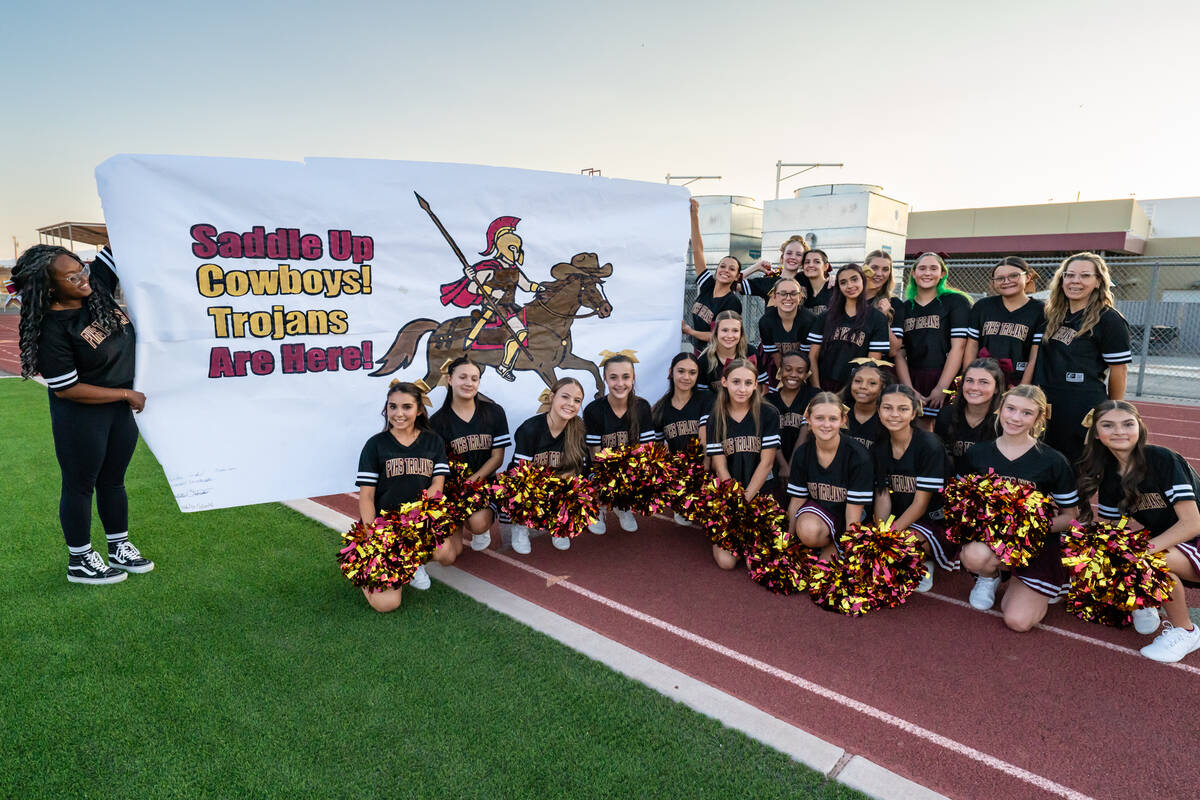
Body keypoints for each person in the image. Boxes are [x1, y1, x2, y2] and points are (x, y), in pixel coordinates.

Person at [12, 244, 152, 585]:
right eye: (71, 277)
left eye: (82, 270)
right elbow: (66, 388)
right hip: (82, 416)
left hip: (120, 411)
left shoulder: (96, 289)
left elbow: (118, 240)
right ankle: (80, 560)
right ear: (50, 287)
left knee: (114, 480)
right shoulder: (52, 329)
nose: (82, 279)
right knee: (80, 485)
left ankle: (118, 545)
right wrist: (125, 393)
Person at [1076, 400, 1200, 662]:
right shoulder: (1110, 477)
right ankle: (1145, 599)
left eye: (1127, 424)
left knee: (1149, 559)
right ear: (1097, 434)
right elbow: (1111, 531)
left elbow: (1192, 524)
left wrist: (1140, 552)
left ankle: (1186, 631)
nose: (1119, 431)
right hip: (1175, 542)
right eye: (1108, 425)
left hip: (1194, 537)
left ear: (1140, 428)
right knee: (1109, 549)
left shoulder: (1163, 459)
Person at [959, 385, 1081, 631]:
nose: (1015, 418)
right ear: (1000, 409)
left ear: (1038, 418)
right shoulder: (977, 453)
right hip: (993, 541)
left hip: (1035, 544)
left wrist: (1027, 527)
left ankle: (1047, 582)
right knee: (973, 555)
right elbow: (963, 504)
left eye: (1026, 413)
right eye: (1011, 409)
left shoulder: (1053, 460)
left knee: (1018, 622)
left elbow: (1071, 518)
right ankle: (989, 576)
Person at [355, 380, 451, 611]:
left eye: (406, 407)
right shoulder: (375, 445)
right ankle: (364, 569)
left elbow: (438, 483)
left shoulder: (433, 441)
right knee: (387, 604)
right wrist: (373, 535)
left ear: (419, 410)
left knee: (445, 552)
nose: (399, 413)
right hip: (383, 526)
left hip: (416, 522)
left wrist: (418, 522)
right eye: (393, 407)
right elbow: (366, 497)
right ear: (386, 409)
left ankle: (412, 561)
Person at [1036, 252, 1131, 465]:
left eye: (1085, 276)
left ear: (1098, 282)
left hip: (1081, 405)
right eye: (1069, 275)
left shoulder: (1109, 319)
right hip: (1047, 401)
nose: (1075, 281)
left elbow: (1119, 370)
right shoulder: (1052, 315)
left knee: (1075, 472)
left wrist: (1113, 410)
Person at [873, 384, 956, 592]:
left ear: (913, 413)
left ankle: (925, 558)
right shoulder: (879, 447)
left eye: (902, 409)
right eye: (887, 408)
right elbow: (882, 495)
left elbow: (921, 504)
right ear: (878, 410)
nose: (894, 414)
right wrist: (881, 533)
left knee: (899, 546)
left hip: (933, 519)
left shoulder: (929, 445)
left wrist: (889, 538)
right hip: (901, 518)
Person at [429, 357, 511, 552]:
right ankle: (457, 519)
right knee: (450, 556)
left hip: (483, 484)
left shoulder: (494, 412)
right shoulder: (437, 422)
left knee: (477, 523)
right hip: (452, 489)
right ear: (450, 380)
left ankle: (481, 527)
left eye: (474, 379)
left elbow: (497, 458)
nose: (469, 383)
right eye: (462, 377)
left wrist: (472, 482)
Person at [705, 359, 781, 569]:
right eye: (736, 382)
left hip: (761, 492)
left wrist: (747, 500)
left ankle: (751, 538)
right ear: (724, 382)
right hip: (732, 494)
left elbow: (767, 463)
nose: (742, 388)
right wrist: (735, 501)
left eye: (748, 383)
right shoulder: (715, 417)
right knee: (726, 562)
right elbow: (720, 466)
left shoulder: (768, 413)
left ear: (756, 385)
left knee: (754, 563)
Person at [787, 392, 874, 558]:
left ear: (843, 420)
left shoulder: (858, 456)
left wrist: (848, 549)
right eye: (819, 418)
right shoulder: (803, 453)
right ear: (808, 419)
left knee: (828, 572)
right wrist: (787, 543)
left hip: (853, 516)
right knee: (807, 530)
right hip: (822, 513)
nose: (826, 424)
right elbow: (796, 501)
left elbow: (853, 514)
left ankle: (833, 547)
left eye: (833, 419)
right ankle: (824, 544)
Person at [508, 378, 589, 553]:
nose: (570, 404)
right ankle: (520, 525)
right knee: (520, 487)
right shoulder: (530, 429)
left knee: (579, 489)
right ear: (552, 397)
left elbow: (578, 471)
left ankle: (560, 525)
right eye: (565, 397)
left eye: (577, 400)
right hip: (530, 483)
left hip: (558, 481)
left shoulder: (579, 429)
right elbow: (519, 473)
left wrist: (558, 486)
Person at [585, 352, 657, 534]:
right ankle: (597, 508)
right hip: (600, 468)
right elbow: (595, 454)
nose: (620, 383)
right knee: (593, 475)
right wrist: (611, 481)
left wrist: (631, 477)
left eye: (626, 377)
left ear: (633, 378)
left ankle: (623, 506)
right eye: (613, 377)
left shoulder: (642, 407)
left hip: (628, 468)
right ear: (605, 379)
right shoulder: (593, 410)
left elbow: (647, 449)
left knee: (650, 472)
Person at [898, 252, 971, 425]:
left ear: (943, 274)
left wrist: (942, 388)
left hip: (944, 374)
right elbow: (899, 353)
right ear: (914, 274)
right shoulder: (905, 307)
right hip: (913, 377)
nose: (927, 273)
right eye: (922, 268)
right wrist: (908, 388)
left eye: (933, 268)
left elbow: (959, 347)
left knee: (943, 428)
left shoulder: (955, 301)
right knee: (912, 427)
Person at [806, 264, 890, 392]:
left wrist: (844, 394)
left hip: (857, 389)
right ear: (838, 287)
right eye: (843, 282)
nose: (850, 286)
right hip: (823, 385)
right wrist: (816, 389)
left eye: (854, 279)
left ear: (863, 280)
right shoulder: (825, 317)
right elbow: (812, 356)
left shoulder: (877, 318)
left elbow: (871, 364)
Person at [963, 256, 1044, 388]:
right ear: (994, 282)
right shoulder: (983, 306)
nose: (1006, 281)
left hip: (1018, 381)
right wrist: (969, 380)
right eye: (1000, 278)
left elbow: (1034, 356)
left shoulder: (1039, 310)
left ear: (1028, 277)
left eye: (1014, 276)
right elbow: (972, 346)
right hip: (984, 379)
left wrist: (1022, 388)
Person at [652, 353, 713, 526]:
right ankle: (680, 498)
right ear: (671, 372)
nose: (686, 377)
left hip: (706, 466)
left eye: (692, 373)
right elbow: (658, 451)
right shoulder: (660, 409)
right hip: (680, 471)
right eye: (681, 371)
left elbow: (705, 439)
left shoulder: (706, 398)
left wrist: (704, 473)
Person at [683, 198, 749, 352]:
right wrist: (694, 215)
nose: (726, 270)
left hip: (715, 355)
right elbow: (697, 250)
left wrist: (689, 331)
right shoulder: (708, 286)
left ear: (736, 276)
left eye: (732, 269)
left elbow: (718, 334)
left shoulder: (731, 303)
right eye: (723, 266)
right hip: (698, 350)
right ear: (717, 269)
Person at [934, 358, 1003, 474]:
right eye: (969, 380)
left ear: (996, 388)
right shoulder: (946, 415)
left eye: (983, 382)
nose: (974, 387)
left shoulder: (1004, 421)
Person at [766, 352, 816, 498]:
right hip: (773, 463)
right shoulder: (768, 400)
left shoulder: (813, 396)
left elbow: (804, 432)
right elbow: (769, 435)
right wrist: (782, 465)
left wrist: (791, 466)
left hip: (802, 463)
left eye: (800, 371)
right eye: (788, 369)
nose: (793, 374)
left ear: (807, 374)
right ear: (780, 370)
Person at [863, 249, 912, 387]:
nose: (879, 274)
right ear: (865, 269)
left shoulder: (894, 303)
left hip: (879, 372)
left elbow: (894, 350)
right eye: (874, 268)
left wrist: (882, 318)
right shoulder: (851, 299)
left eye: (885, 269)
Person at [756, 276, 815, 388]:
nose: (788, 298)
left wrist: (797, 378)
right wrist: (784, 376)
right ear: (774, 297)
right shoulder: (765, 322)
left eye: (793, 293)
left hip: (803, 366)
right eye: (783, 293)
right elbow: (775, 355)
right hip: (777, 365)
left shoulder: (809, 320)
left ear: (800, 297)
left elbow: (805, 356)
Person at [697, 310, 754, 392]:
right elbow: (702, 397)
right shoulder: (704, 360)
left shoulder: (750, 353)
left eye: (735, 330)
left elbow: (761, 389)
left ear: (741, 333)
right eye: (724, 330)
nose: (730, 336)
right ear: (716, 332)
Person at [840, 358, 890, 450]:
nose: (863, 386)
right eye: (858, 381)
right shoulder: (838, 413)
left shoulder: (889, 419)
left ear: (882, 387)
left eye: (872, 383)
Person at [747, 235, 809, 305]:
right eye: (789, 253)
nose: (793, 257)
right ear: (782, 258)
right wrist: (756, 267)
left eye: (798, 254)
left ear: (802, 261)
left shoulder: (807, 283)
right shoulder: (768, 282)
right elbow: (733, 283)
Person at [799, 249, 835, 317]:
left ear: (826, 266)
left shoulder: (835, 288)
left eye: (817, 262)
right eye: (807, 262)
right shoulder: (800, 289)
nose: (811, 265)